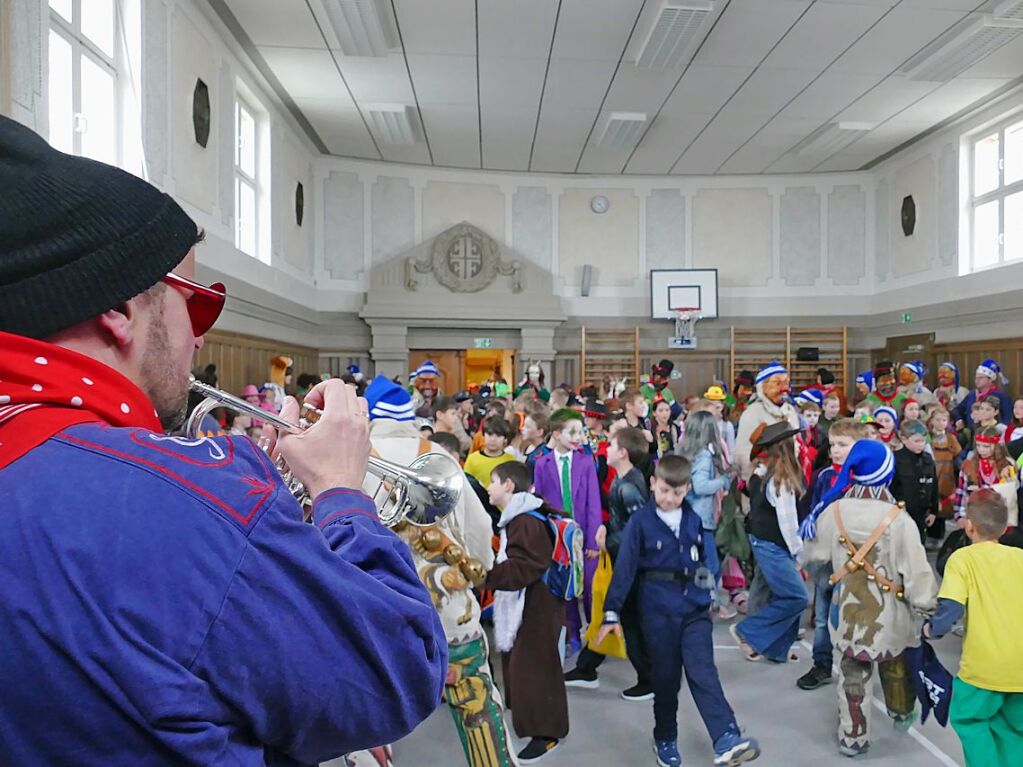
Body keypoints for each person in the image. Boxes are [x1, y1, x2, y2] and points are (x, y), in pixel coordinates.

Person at [0, 116, 445, 765]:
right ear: (121, 309)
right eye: (196, 303)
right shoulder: (181, 498)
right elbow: (397, 672)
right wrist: (341, 495)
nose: (202, 335)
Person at [361, 376, 515, 767]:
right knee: (477, 705)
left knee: (363, 713)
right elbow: (480, 530)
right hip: (449, 610)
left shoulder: (352, 457)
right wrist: (474, 578)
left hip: (372, 619)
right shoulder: (437, 454)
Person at [596, 455, 761, 767]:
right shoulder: (640, 523)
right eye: (663, 492)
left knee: (703, 672)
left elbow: (706, 558)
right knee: (666, 681)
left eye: (677, 493)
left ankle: (727, 736)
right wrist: (612, 612)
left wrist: (709, 588)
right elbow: (626, 569)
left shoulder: (692, 519)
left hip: (694, 609)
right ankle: (665, 738)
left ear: (687, 490)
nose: (669, 499)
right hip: (658, 613)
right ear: (653, 484)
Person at [805, 440, 938, 759]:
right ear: (886, 476)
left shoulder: (833, 511)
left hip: (848, 612)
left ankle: (853, 736)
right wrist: (928, 607)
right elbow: (917, 573)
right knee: (895, 662)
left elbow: (812, 556)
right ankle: (901, 711)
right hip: (890, 614)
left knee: (852, 672)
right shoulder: (899, 520)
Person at [924, 488, 1023, 767]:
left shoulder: (962, 559)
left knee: (969, 719)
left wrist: (930, 631)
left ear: (969, 526)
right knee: (1014, 730)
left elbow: (950, 611)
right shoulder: (1020, 558)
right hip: (1021, 669)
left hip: (983, 669)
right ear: (1005, 527)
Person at [486, 462, 569, 764]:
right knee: (528, 664)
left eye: (492, 482)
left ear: (509, 485)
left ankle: (546, 733)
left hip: (536, 606)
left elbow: (526, 567)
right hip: (533, 604)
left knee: (535, 667)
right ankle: (532, 719)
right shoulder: (524, 516)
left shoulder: (524, 521)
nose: (488, 487)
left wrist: (487, 574)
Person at [564, 426, 652, 698]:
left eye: (611, 445)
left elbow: (640, 529)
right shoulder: (623, 479)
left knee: (627, 618)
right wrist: (605, 527)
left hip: (629, 562)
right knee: (609, 613)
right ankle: (587, 667)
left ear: (623, 453)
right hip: (621, 557)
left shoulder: (627, 486)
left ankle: (648, 680)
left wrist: (608, 541)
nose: (607, 448)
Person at [795, 417, 865, 691]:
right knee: (823, 617)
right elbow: (811, 509)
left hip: (857, 560)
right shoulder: (824, 476)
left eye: (843, 445)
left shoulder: (866, 479)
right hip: (827, 559)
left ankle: (859, 666)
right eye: (833, 444)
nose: (835, 450)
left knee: (857, 616)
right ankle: (821, 664)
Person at [731, 422, 808, 664]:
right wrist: (799, 553)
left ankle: (776, 648)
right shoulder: (780, 480)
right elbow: (788, 522)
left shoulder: (761, 472)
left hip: (761, 539)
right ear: (785, 447)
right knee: (796, 597)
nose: (798, 444)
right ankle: (749, 631)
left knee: (763, 590)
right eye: (793, 441)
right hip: (774, 544)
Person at [532, 409, 602, 650]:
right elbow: (539, 501)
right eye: (572, 432)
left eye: (581, 432)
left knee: (590, 585)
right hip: (558, 536)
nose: (578, 437)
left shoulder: (585, 462)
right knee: (566, 584)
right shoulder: (542, 463)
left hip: (583, 532)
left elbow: (594, 501)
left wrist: (593, 541)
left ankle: (596, 630)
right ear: (557, 434)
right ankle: (572, 631)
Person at [679, 410, 736, 619]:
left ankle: (701, 601)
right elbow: (701, 486)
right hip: (702, 518)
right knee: (711, 563)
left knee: (697, 562)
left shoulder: (684, 452)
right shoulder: (703, 455)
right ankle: (707, 602)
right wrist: (724, 480)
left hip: (688, 515)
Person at [734, 362, 801, 483]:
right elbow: (743, 452)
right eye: (777, 383)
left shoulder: (790, 411)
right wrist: (752, 481)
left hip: (788, 479)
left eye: (786, 382)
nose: (785, 388)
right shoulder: (753, 412)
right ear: (762, 387)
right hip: (761, 482)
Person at [953, 426, 1017, 522]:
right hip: (975, 518)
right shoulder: (969, 464)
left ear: (998, 446)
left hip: (1000, 519)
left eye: (986, 446)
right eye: (978, 445)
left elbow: (1014, 494)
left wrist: (1010, 475)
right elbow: (962, 491)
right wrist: (960, 517)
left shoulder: (1007, 464)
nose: (981, 450)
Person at [890, 420, 940, 543]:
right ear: (904, 439)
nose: (920, 445)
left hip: (921, 513)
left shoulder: (928, 460)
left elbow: (933, 486)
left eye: (923, 441)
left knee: (918, 544)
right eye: (916, 441)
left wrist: (933, 511)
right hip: (900, 512)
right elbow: (891, 487)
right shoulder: (895, 459)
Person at [928, 406, 963, 530]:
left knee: (944, 506)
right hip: (931, 473)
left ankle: (939, 533)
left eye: (943, 420)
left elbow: (958, 457)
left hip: (947, 476)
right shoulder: (928, 438)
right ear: (931, 421)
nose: (940, 423)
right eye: (937, 420)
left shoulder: (951, 439)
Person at [954, 359, 1013, 427]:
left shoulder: (1001, 396)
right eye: (976, 378)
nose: (977, 380)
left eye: (981, 378)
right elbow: (957, 410)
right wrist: (959, 420)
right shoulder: (972, 394)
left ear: (990, 379)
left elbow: (1007, 417)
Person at [463, 416, 517, 487]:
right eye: (489, 434)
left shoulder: (511, 461)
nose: (493, 439)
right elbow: (466, 484)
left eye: (498, 435)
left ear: (505, 439)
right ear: (483, 436)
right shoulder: (472, 459)